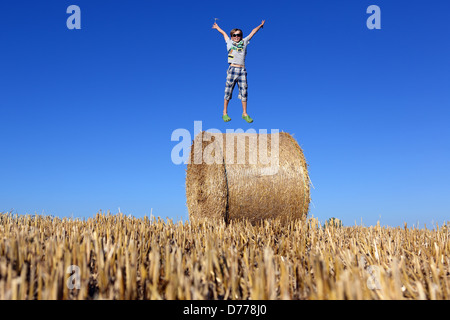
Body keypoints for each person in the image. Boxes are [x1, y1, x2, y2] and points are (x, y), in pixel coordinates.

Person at [212, 20, 265, 123]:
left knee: (244, 91)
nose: (236, 37)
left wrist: (260, 25)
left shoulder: (244, 42)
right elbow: (223, 33)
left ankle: (244, 113)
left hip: (242, 70)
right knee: (228, 91)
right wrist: (217, 27)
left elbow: (253, 32)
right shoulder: (229, 42)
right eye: (234, 35)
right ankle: (224, 113)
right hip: (232, 69)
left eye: (239, 35)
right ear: (231, 36)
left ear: (241, 36)